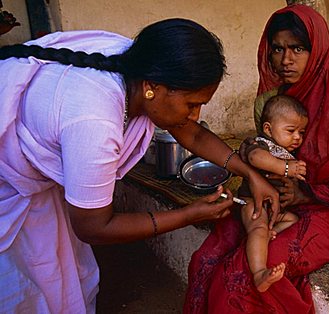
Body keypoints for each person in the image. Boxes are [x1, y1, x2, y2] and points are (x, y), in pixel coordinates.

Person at [0, 18, 280, 313]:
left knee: (57, 275)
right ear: (151, 88)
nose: (196, 115)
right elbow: (94, 226)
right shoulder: (94, 123)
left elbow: (192, 132)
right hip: (9, 183)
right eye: (191, 104)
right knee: (23, 289)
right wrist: (188, 214)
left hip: (32, 175)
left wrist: (248, 172)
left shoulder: (139, 64)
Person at [184, 4, 329, 313]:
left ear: (316, 50)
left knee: (240, 276)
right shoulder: (279, 97)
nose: (285, 60)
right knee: (207, 258)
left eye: (298, 49)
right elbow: (264, 149)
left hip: (323, 211)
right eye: (277, 49)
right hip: (272, 200)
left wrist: (304, 193)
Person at [237, 94, 308, 292]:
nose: (297, 137)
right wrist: (286, 168)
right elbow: (255, 158)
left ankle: (266, 237)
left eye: (301, 132)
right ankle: (259, 273)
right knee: (258, 227)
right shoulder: (262, 143)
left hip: (274, 209)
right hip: (253, 202)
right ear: (268, 128)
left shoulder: (287, 153)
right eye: (291, 130)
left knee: (292, 220)